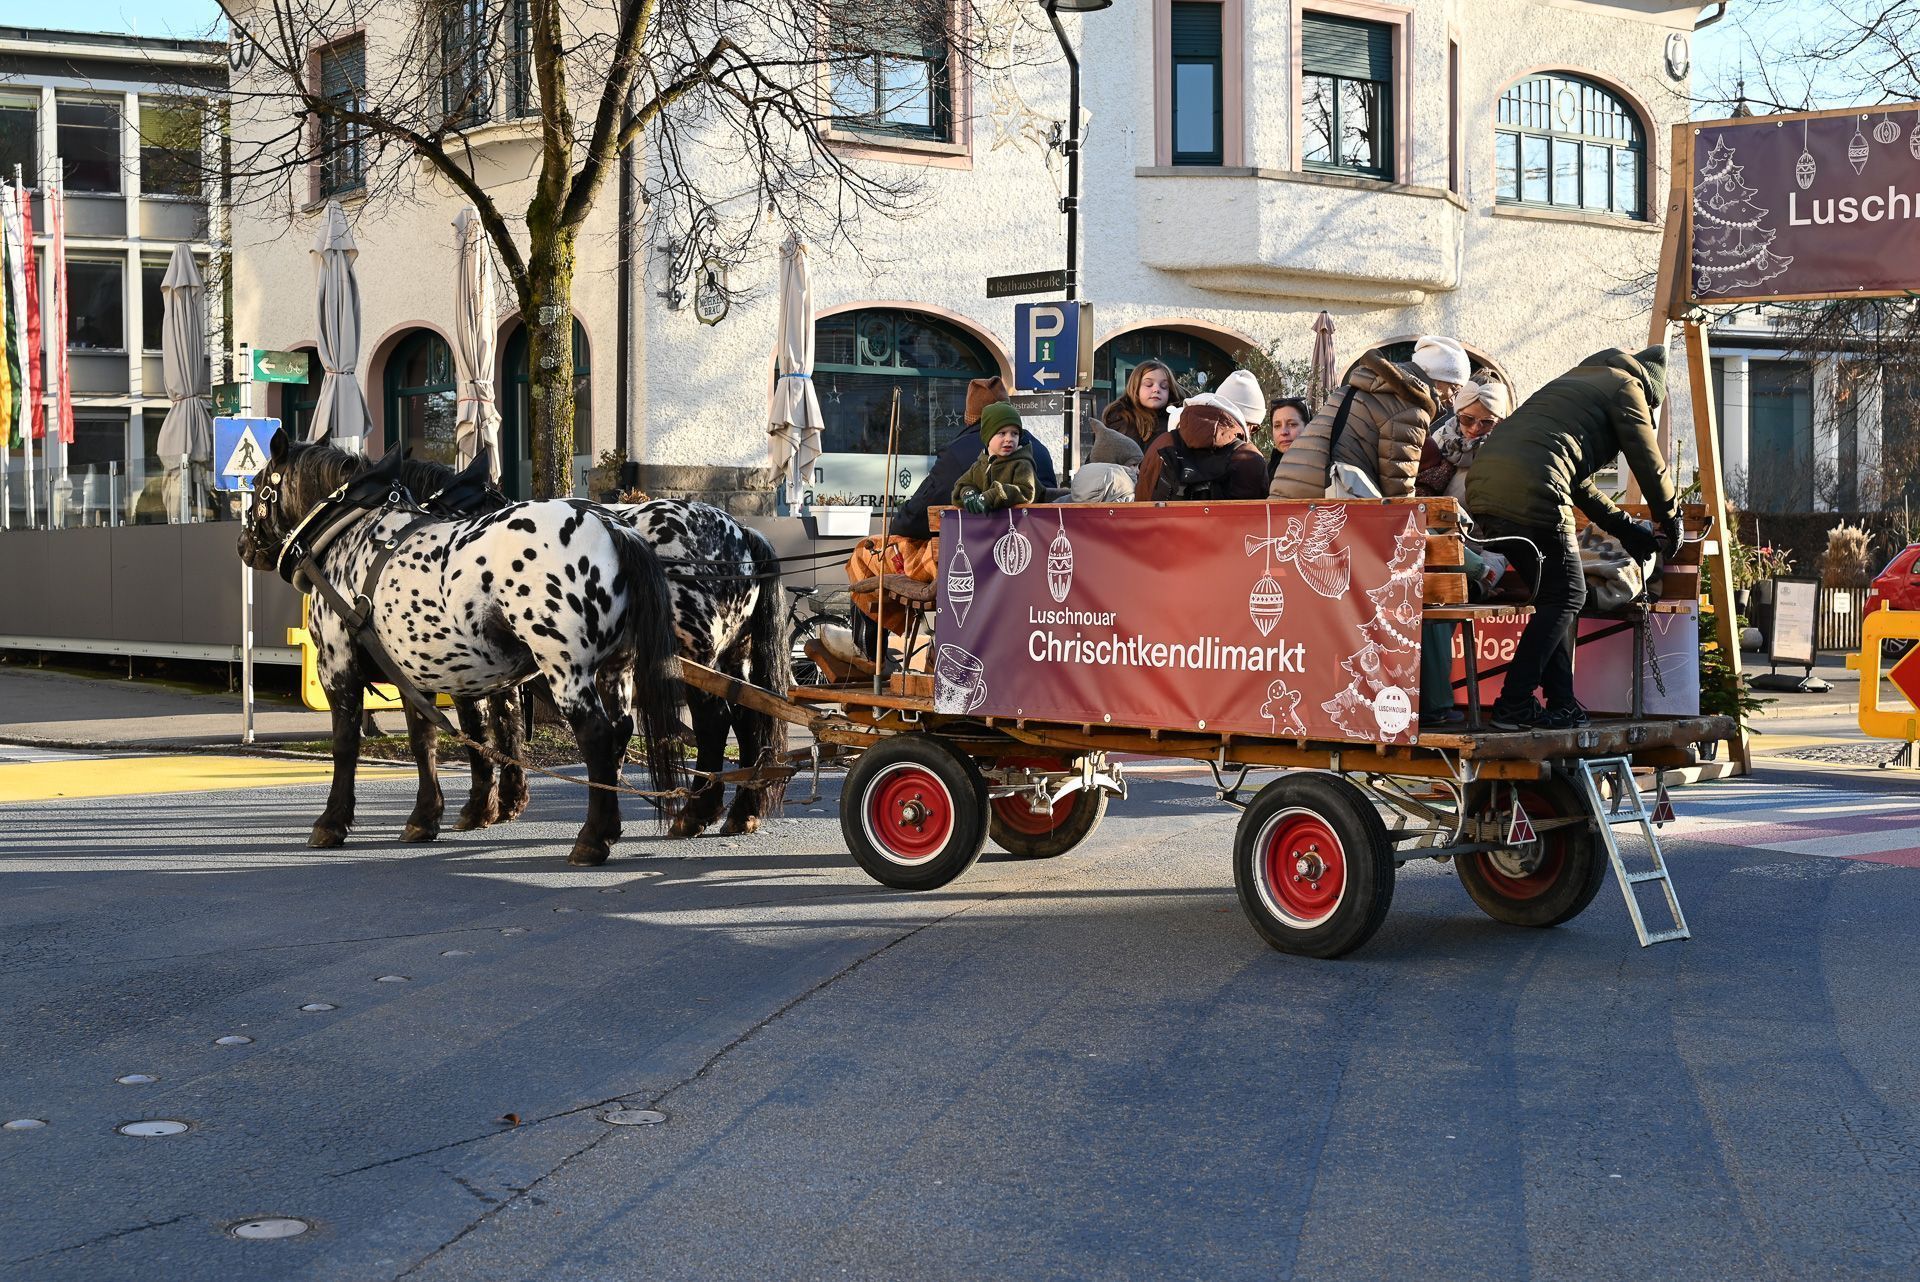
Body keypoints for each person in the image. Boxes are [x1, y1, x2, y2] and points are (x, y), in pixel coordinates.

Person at [1465, 345, 1681, 731]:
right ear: (1651, 392)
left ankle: (1561, 702)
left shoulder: (1575, 383)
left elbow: (1579, 484)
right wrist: (1671, 516)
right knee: (1568, 595)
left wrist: (1625, 529)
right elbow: (1648, 461)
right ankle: (1514, 702)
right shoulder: (1625, 387)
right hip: (1533, 487)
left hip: (1483, 488)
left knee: (1556, 597)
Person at [1414, 376, 1514, 728]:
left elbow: (1505, 522)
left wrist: (1484, 567)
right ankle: (1427, 704)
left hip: (1486, 555)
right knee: (1432, 599)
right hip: (1438, 553)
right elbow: (1422, 505)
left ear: (1500, 421)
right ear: (1456, 413)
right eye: (1467, 418)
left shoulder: (1507, 455)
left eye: (1486, 421)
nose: (1473, 428)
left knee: (1439, 603)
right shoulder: (1437, 444)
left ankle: (1435, 705)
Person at [1267, 335, 1467, 499]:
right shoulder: (1409, 407)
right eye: (1454, 388)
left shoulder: (1354, 387)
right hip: (1325, 493)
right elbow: (1397, 482)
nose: (1452, 400)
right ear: (1438, 380)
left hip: (1287, 484)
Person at [1134, 370, 1268, 502]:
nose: (1250, 435)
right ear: (1245, 423)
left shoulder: (1163, 443)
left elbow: (1141, 503)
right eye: (1254, 428)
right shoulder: (1249, 457)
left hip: (1161, 524)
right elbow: (1259, 519)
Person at [952, 403, 1039, 512]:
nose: (1009, 439)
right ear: (988, 436)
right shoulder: (979, 465)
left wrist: (994, 495)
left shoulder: (1022, 463)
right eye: (1002, 433)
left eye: (1014, 434)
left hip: (1018, 526)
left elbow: (1026, 491)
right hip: (989, 527)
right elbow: (963, 484)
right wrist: (968, 494)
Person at [1102, 359, 1181, 450]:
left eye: (1164, 386)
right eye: (1148, 384)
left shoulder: (1178, 420)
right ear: (1135, 387)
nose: (1156, 389)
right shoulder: (1119, 419)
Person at [1264, 396, 1310, 481]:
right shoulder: (1268, 471)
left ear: (1308, 427)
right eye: (1277, 426)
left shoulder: (1322, 468)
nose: (1284, 432)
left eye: (1292, 424)